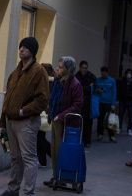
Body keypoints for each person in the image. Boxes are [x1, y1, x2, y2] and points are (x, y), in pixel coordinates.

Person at [0, 37, 49, 196]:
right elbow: (7, 99)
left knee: (29, 159)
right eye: (21, 47)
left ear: (32, 51)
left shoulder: (38, 71)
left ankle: (28, 193)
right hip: (10, 121)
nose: (21, 49)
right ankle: (13, 190)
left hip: (26, 121)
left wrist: (23, 111)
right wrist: (2, 122)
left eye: (25, 47)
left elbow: (43, 99)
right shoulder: (15, 73)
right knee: (15, 158)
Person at [43, 56, 84, 187]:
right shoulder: (58, 81)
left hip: (66, 123)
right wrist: (49, 109)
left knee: (61, 151)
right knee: (54, 150)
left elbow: (77, 105)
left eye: (60, 67)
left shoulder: (75, 84)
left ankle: (61, 177)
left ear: (67, 69)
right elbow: (53, 97)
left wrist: (61, 116)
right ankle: (55, 176)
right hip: (56, 119)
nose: (57, 69)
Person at [75, 60, 96, 148]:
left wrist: (86, 88)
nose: (84, 70)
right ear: (80, 68)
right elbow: (78, 88)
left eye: (85, 68)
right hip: (79, 103)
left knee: (88, 124)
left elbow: (94, 87)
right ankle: (79, 140)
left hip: (88, 103)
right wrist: (88, 87)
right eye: (82, 68)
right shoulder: (76, 76)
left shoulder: (91, 76)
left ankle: (87, 141)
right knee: (79, 123)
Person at [37, 63, 55, 167]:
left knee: (39, 137)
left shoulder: (46, 81)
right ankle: (42, 161)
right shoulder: (53, 81)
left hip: (42, 112)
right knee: (40, 136)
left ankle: (53, 155)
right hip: (47, 112)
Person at [95, 66, 117, 143]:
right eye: (102, 73)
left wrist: (113, 104)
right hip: (100, 102)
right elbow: (94, 90)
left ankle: (111, 135)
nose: (103, 74)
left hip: (108, 103)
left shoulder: (112, 81)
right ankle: (100, 134)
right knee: (100, 119)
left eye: (104, 73)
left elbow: (114, 92)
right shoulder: (97, 80)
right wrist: (98, 90)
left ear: (107, 73)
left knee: (110, 120)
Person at [116, 69, 132, 136]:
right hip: (122, 100)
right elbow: (119, 90)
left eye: (130, 73)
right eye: (127, 73)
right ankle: (119, 128)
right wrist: (117, 99)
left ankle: (129, 129)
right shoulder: (122, 82)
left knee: (130, 116)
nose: (128, 74)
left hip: (130, 101)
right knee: (120, 115)